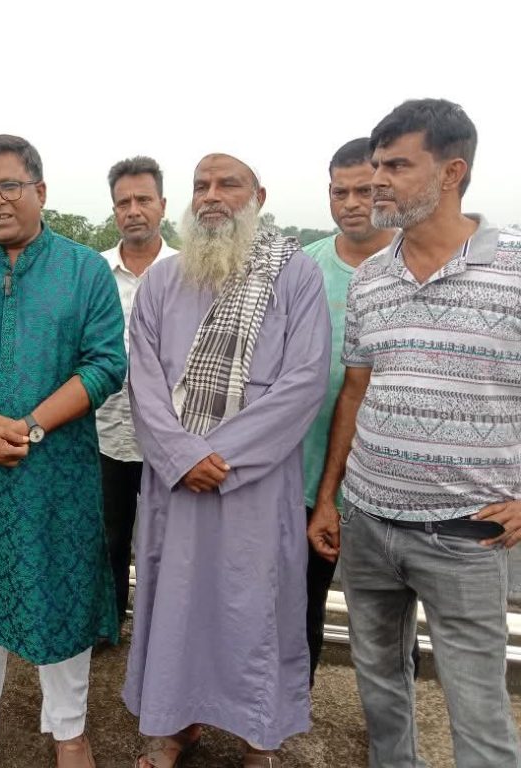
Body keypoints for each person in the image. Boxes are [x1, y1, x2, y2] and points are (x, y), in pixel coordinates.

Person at [308, 98, 521, 768]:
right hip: (369, 523)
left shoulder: (514, 266)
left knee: (478, 709)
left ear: (451, 172)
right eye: (376, 165)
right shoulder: (371, 278)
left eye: (396, 166)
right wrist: (329, 498)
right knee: (379, 686)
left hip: (467, 533)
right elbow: (355, 390)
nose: (377, 181)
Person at [0, 134, 126, 768]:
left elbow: (105, 364)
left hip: (56, 471)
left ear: (40, 190)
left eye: (9, 185)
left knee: (61, 593)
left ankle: (69, 731)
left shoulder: (83, 269)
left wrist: (31, 427)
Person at [125, 153, 330, 768]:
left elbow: (305, 381)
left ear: (257, 197)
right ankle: (174, 726)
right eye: (201, 185)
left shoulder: (295, 275)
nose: (211, 195)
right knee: (175, 609)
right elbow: (143, 384)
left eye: (227, 184)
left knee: (254, 609)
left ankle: (256, 738)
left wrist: (222, 456)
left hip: (254, 488)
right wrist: (182, 455)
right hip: (177, 484)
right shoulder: (162, 281)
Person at [301, 139, 397, 684]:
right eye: (341, 192)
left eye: (365, 190)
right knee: (302, 605)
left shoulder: (412, 264)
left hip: (388, 481)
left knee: (386, 622)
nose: (353, 203)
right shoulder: (303, 269)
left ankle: (391, 725)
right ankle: (292, 711)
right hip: (307, 475)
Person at [96, 156, 177, 628]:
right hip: (104, 429)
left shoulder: (187, 271)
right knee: (107, 534)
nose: (133, 210)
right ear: (114, 211)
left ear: (162, 204)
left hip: (168, 434)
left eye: (143, 199)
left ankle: (158, 630)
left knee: (165, 538)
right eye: (123, 202)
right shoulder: (95, 272)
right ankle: (107, 623)